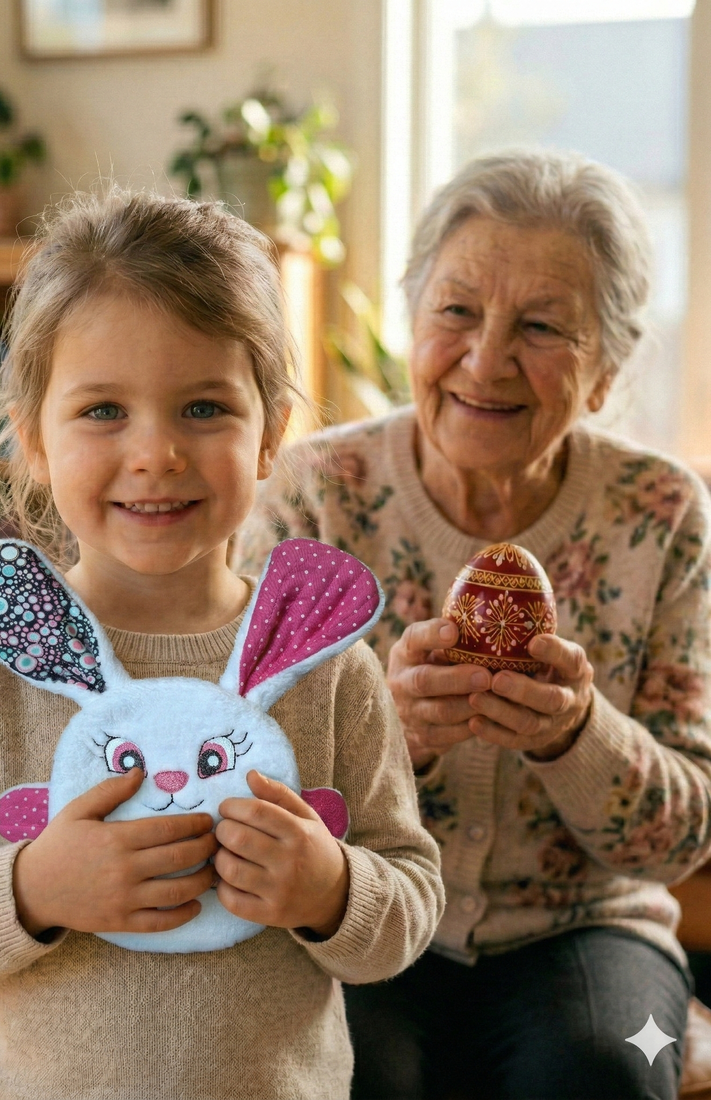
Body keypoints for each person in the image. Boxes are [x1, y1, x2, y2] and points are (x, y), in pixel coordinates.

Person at [0, 188, 443, 1100]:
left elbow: (408, 897)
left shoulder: (326, 667)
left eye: (204, 408)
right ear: (33, 439)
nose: (157, 452)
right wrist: (30, 888)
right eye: (102, 412)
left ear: (269, 434)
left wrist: (330, 890)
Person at [234, 149, 711, 1100]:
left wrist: (578, 735)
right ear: (413, 321)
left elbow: (685, 835)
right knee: (342, 1079)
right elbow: (233, 772)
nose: (486, 360)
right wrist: (391, 736)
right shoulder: (315, 496)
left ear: (608, 370)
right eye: (455, 311)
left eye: (542, 327)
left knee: (607, 1072)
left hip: (591, 932)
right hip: (356, 913)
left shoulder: (663, 514)